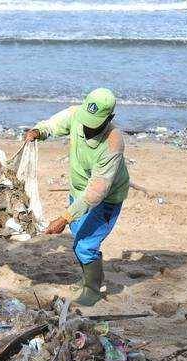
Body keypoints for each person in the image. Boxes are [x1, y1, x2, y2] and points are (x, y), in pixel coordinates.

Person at [25, 88, 129, 306]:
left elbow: (96, 192)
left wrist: (64, 217)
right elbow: (52, 125)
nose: (88, 127)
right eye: (87, 120)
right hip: (77, 190)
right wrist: (38, 131)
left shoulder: (113, 142)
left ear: (110, 118)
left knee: (85, 245)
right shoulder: (76, 115)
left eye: (95, 123)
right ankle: (89, 277)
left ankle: (93, 288)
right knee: (78, 235)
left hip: (106, 198)